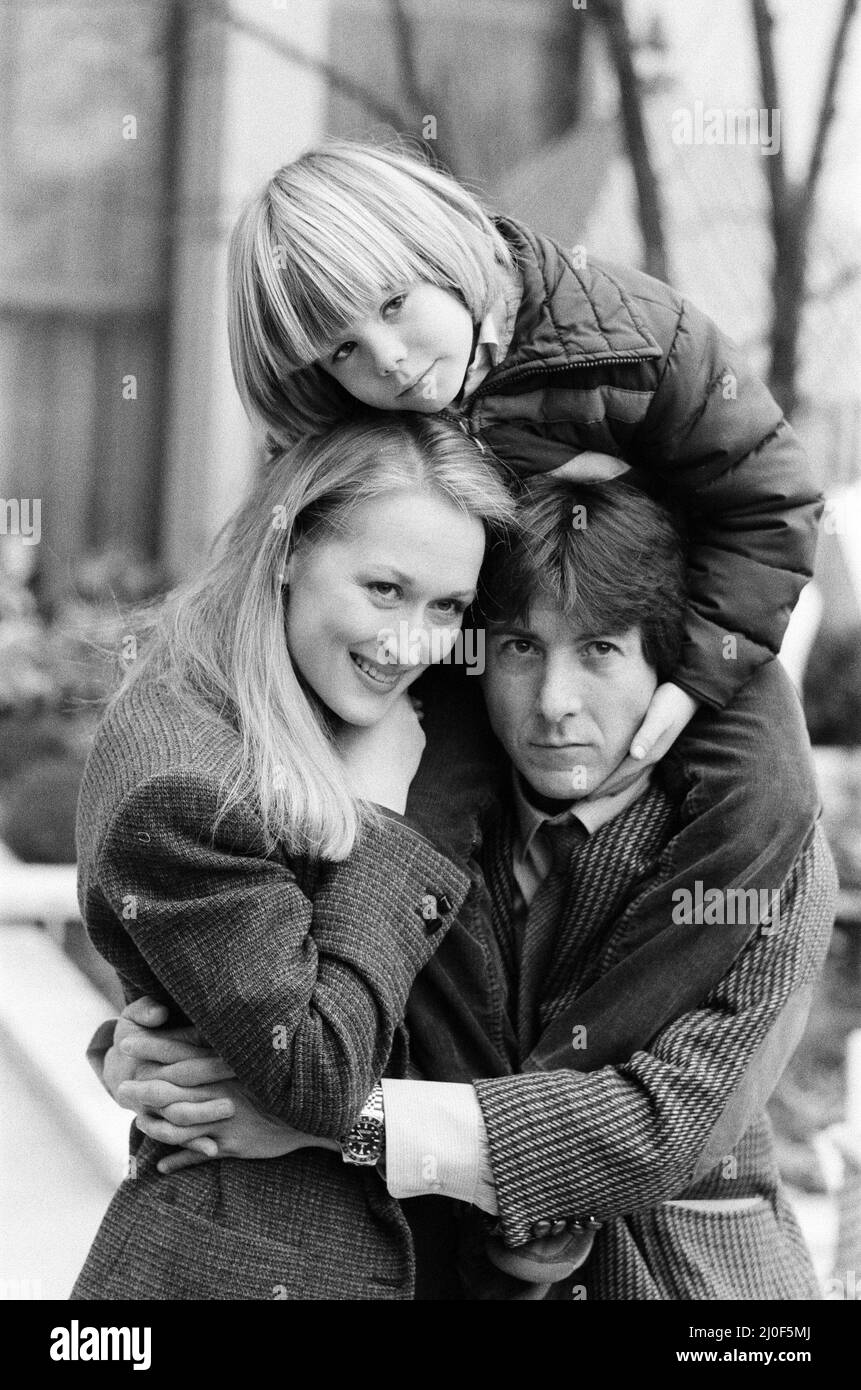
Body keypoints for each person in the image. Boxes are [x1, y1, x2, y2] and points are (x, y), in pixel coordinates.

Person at [104, 478, 838, 1301]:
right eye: (522, 649)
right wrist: (149, 1055)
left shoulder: (763, 845)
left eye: (599, 650)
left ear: (666, 664)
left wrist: (342, 1122)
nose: (555, 705)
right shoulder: (403, 792)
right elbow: (297, 999)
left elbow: (660, 1124)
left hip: (678, 1280)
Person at [225, 137, 823, 973]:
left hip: (675, 632)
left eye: (393, 303)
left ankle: (608, 1051)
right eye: (341, 350)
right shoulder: (360, 427)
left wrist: (696, 678)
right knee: (405, 823)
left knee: (765, 792)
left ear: (444, 253)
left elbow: (769, 501)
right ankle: (331, 1033)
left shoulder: (635, 336)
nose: (388, 361)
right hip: (475, 644)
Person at [70, 414, 515, 1301]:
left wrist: (124, 1047)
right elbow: (315, 1072)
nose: (412, 645)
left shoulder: (296, 697)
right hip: (244, 1266)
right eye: (384, 589)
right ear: (286, 551)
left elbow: (219, 979)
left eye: (447, 607)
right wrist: (384, 818)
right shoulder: (191, 782)